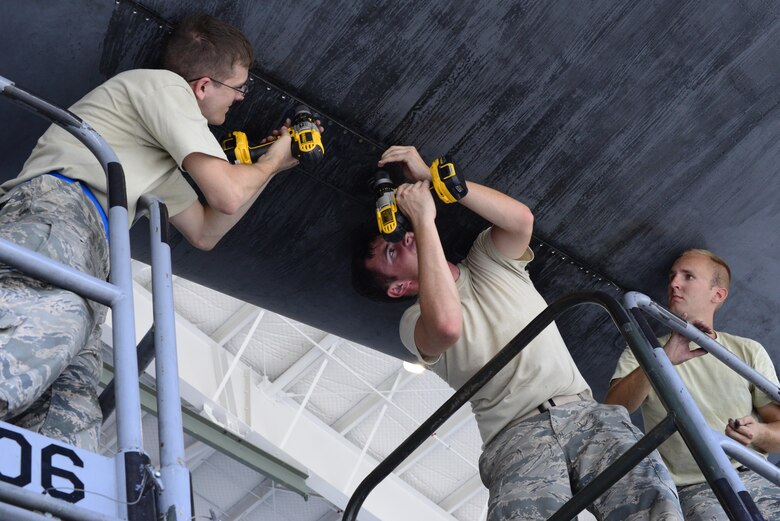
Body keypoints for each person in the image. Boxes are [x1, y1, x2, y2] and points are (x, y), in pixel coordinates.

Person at [0, 14, 301, 451]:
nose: (238, 100)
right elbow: (228, 195)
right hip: (59, 214)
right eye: (237, 89)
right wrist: (268, 163)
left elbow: (205, 230)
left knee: (70, 411)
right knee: (50, 320)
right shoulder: (163, 88)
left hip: (97, 255)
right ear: (201, 86)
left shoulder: (148, 150)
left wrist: (269, 169)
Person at [352, 145, 683, 520]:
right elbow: (446, 326)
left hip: (582, 410)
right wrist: (424, 222)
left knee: (651, 496)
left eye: (401, 233)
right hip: (515, 437)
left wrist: (432, 177)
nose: (405, 238)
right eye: (392, 252)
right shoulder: (412, 323)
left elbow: (520, 221)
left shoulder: (486, 260)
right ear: (396, 289)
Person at [605, 249, 780, 519]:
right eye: (673, 277)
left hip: (756, 479)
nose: (674, 283)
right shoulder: (643, 350)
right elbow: (612, 409)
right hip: (696, 489)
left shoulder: (746, 350)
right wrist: (662, 360)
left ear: (717, 294)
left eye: (688, 277)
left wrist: (756, 433)